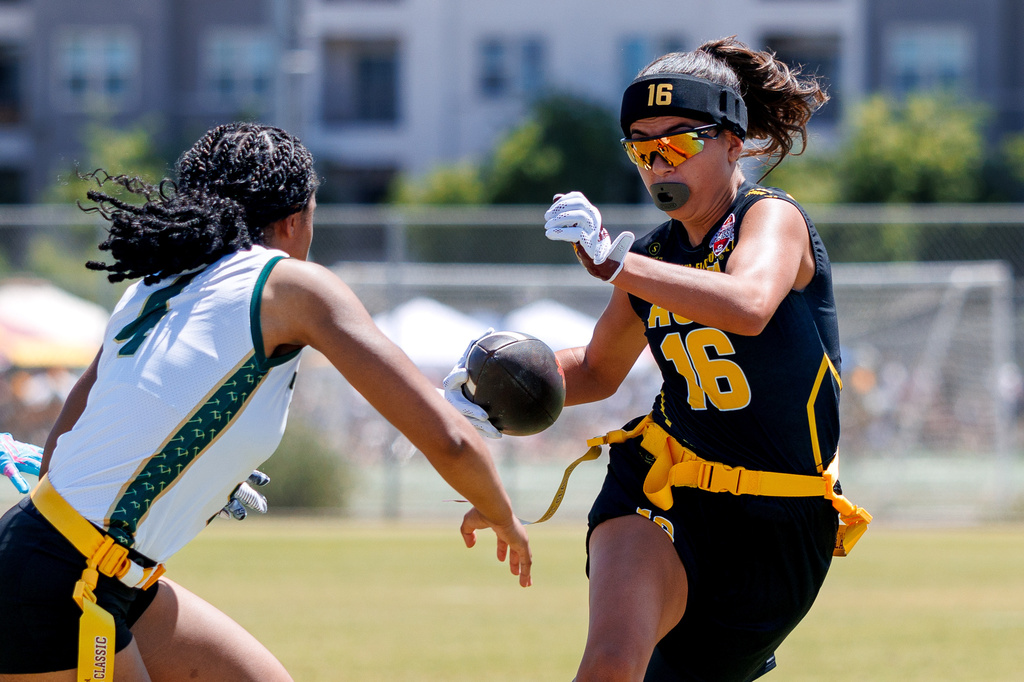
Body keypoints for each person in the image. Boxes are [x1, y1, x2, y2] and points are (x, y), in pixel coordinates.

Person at [0, 122, 531, 682]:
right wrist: (500, 512)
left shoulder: (154, 284)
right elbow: (448, 437)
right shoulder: (294, 287)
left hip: (84, 565)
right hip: (66, 585)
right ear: (296, 218)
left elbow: (65, 443)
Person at [448, 37, 870, 681]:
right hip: (662, 485)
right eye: (642, 147)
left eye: (678, 141)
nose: (657, 161)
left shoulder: (771, 220)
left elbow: (749, 302)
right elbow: (594, 369)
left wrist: (621, 264)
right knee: (612, 664)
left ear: (733, 140)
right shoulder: (653, 254)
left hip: (778, 520)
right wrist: (484, 394)